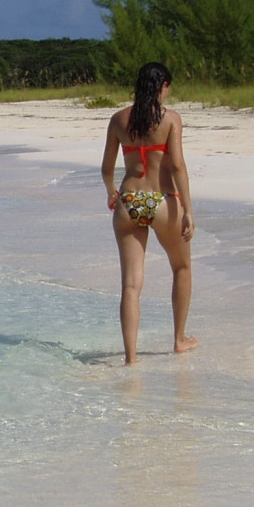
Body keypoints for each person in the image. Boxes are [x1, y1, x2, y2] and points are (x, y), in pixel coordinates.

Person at [100, 61, 196, 363]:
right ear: (163, 86)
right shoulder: (170, 120)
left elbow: (106, 169)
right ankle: (179, 340)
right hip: (162, 200)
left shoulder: (118, 120)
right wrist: (188, 209)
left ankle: (131, 358)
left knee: (130, 284)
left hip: (129, 201)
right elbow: (178, 166)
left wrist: (111, 192)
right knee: (181, 267)